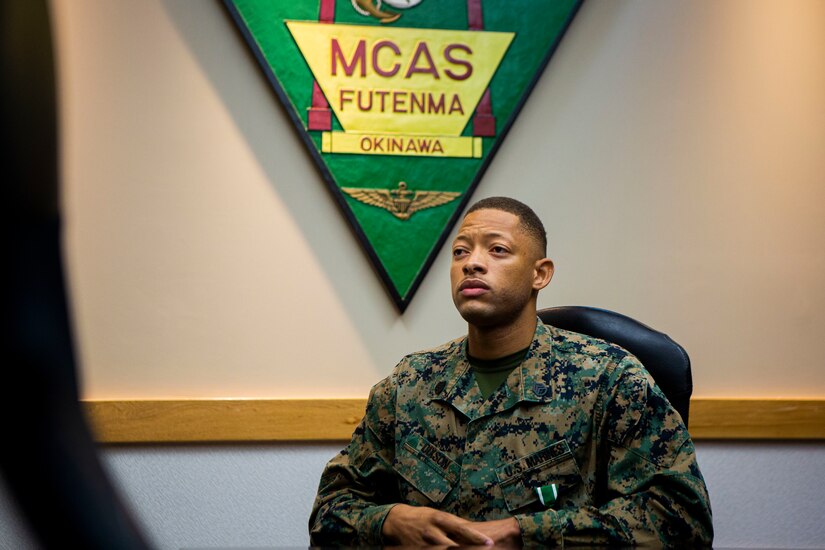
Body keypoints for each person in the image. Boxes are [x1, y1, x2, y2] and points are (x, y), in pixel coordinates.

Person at [308, 197, 713, 547]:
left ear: (540, 274)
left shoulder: (609, 379)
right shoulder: (410, 383)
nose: (473, 264)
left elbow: (682, 519)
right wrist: (391, 522)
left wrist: (524, 535)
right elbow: (331, 512)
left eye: (497, 250)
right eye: (460, 252)